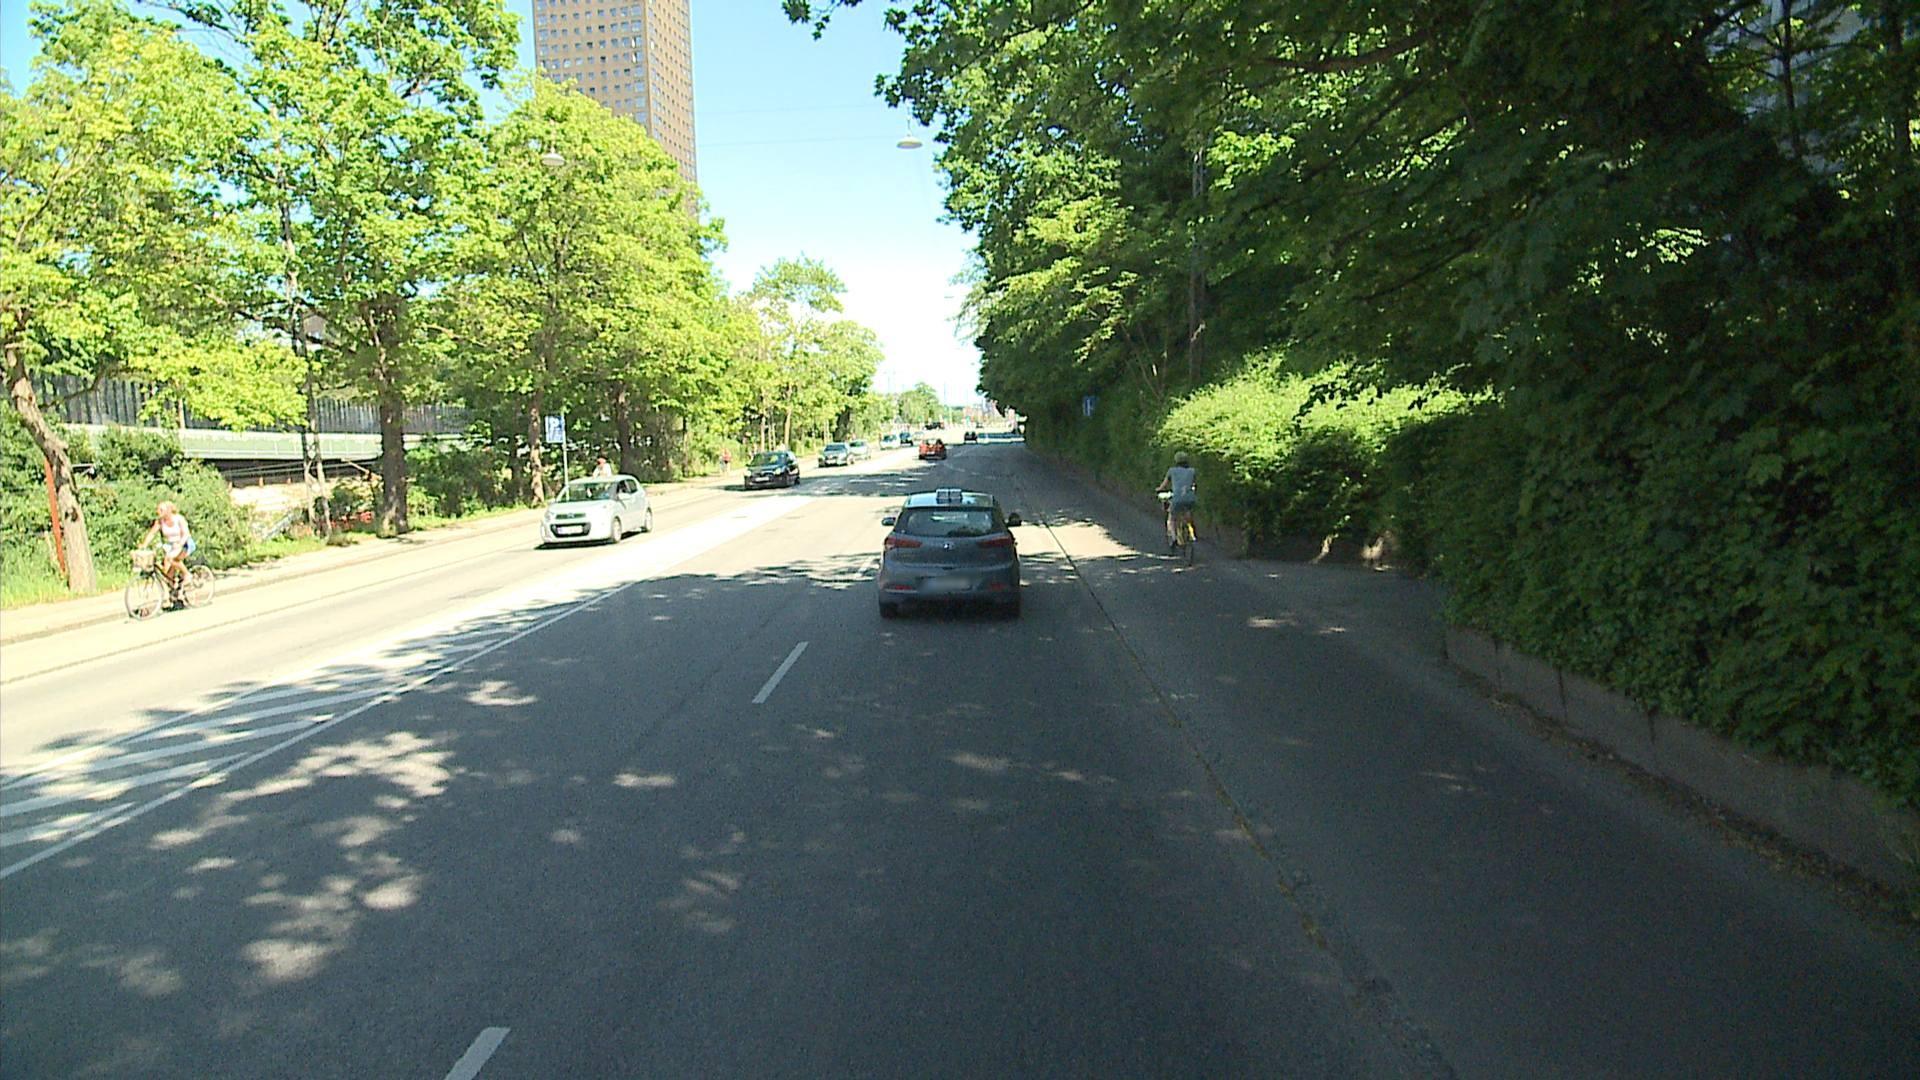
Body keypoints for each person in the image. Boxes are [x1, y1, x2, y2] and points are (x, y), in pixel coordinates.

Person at [139, 501, 195, 603]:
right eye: (158, 510)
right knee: (167, 573)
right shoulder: (160, 522)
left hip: (184, 544)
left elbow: (186, 533)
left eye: (161, 510)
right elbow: (152, 534)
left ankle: (187, 575)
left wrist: (180, 543)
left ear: (168, 510)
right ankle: (174, 594)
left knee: (172, 559)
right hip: (171, 546)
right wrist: (144, 545)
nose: (158, 512)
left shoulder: (179, 519)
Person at [1156, 451, 1199, 552]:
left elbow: (1164, 485)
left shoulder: (1172, 471)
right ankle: (1191, 531)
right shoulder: (1192, 471)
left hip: (1177, 499)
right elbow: (1194, 484)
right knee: (1187, 513)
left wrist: (1158, 489)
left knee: (1172, 518)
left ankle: (1174, 538)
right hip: (1190, 498)